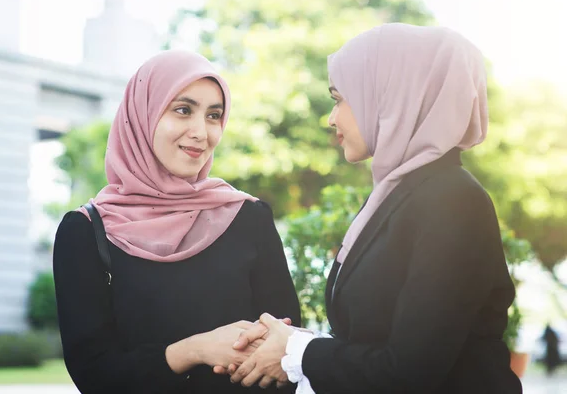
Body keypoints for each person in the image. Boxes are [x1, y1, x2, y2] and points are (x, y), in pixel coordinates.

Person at [220, 23, 523, 393]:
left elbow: (409, 372)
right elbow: (378, 339)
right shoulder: (399, 193)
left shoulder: (452, 200)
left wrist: (298, 351)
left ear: (390, 96)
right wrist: (292, 345)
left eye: (339, 98)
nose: (332, 118)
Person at [52, 50, 301, 393]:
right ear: (142, 116)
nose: (201, 132)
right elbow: (94, 374)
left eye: (214, 115)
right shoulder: (85, 231)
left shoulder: (248, 217)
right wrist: (194, 350)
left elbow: (284, 351)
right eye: (183, 110)